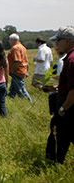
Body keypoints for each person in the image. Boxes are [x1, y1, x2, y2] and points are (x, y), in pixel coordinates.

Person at [48, 26, 74, 164]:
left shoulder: (71, 60)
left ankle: (57, 164)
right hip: (69, 104)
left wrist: (64, 108)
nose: (56, 44)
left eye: (59, 40)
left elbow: (73, 89)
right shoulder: (69, 57)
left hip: (69, 107)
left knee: (61, 134)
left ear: (68, 41)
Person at [43, 45, 66, 163]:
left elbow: (63, 81)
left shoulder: (63, 61)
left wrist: (52, 87)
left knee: (55, 129)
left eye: (58, 45)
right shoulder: (64, 60)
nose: (56, 48)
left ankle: (52, 158)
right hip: (64, 98)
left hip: (63, 99)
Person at [7, 33, 32, 101]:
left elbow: (17, 61)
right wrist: (27, 71)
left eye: (9, 40)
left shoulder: (15, 48)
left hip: (17, 71)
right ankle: (10, 98)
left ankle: (28, 101)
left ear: (12, 40)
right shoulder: (22, 47)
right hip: (22, 70)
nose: (9, 42)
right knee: (13, 89)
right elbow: (26, 61)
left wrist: (12, 70)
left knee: (21, 90)